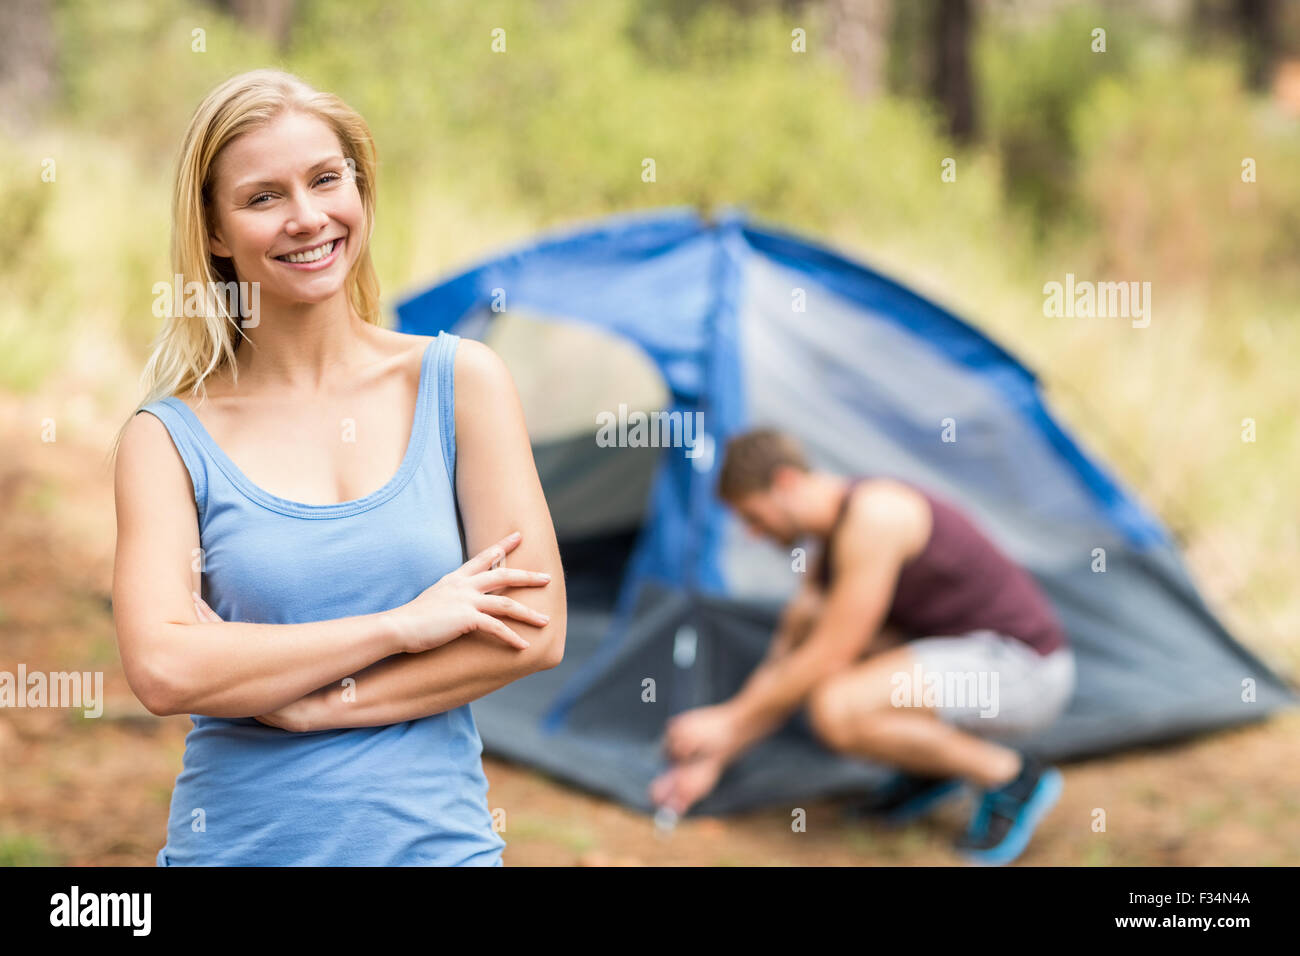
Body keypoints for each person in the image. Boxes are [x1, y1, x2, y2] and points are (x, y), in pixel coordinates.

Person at [110, 69, 566, 865]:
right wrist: (399, 626)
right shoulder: (167, 439)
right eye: (263, 198)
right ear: (215, 232)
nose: (308, 218)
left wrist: (321, 707)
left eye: (326, 180)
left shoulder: (460, 384)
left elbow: (534, 631)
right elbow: (163, 666)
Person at [650, 428, 1075, 865]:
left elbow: (829, 654)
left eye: (754, 517)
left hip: (1025, 668)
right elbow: (787, 659)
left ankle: (1013, 777)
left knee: (838, 706)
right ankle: (931, 768)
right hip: (964, 660)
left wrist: (728, 719)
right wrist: (715, 755)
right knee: (815, 629)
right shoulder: (828, 548)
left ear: (785, 483)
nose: (754, 534)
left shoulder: (876, 516)